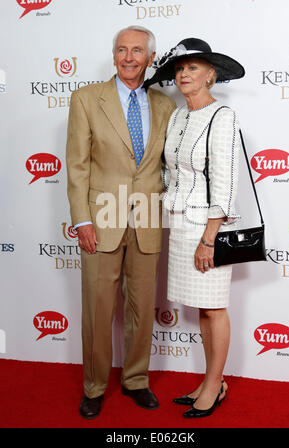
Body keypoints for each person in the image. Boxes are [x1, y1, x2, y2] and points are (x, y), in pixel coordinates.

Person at [66, 25, 176, 419]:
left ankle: (136, 380)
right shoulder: (85, 99)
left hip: (147, 216)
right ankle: (94, 386)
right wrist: (82, 220)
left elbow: (169, 164)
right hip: (102, 217)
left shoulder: (165, 105)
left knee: (141, 306)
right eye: (122, 50)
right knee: (97, 308)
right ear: (113, 56)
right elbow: (77, 166)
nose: (129, 57)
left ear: (150, 58)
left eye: (138, 51)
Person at [144, 38, 245, 418]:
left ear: (211, 75)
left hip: (207, 228)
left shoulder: (223, 116)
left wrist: (209, 239)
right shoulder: (178, 116)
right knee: (204, 308)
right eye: (181, 69)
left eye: (194, 68)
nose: (185, 74)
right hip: (181, 223)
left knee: (215, 307)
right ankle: (209, 380)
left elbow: (226, 183)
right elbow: (172, 171)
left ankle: (216, 384)